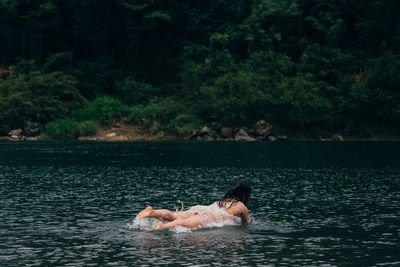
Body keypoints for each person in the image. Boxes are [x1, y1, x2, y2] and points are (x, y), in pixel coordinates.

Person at [137, 184, 251, 230]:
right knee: (186, 223)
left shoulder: (223, 201)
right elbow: (247, 223)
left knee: (174, 215)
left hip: (202, 209)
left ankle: (152, 212)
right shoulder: (241, 206)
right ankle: (162, 226)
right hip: (213, 216)